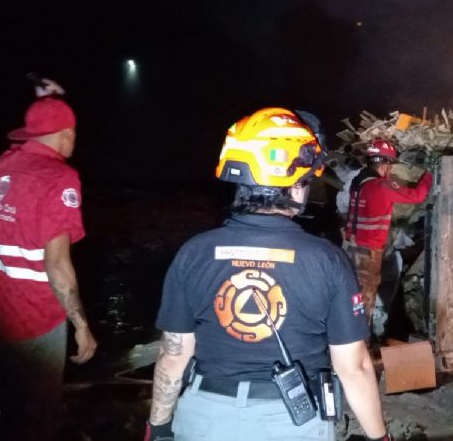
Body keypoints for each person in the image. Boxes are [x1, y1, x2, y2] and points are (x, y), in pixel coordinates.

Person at [145, 107, 389, 441]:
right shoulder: (326, 260)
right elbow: (354, 367)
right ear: (295, 184)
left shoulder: (194, 253)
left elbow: (173, 355)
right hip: (292, 423)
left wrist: (157, 427)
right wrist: (380, 437)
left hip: (204, 418)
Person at [0, 95, 97, 440]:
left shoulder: (5, 165)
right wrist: (81, 325)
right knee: (38, 420)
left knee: (13, 409)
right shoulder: (60, 178)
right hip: (37, 320)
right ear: (66, 134)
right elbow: (58, 265)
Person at [344, 138, 432, 329]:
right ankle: (361, 342)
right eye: (390, 166)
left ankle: (353, 335)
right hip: (368, 252)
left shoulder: (359, 183)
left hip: (352, 248)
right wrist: (429, 174)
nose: (391, 171)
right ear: (384, 164)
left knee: (352, 296)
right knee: (365, 298)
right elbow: (418, 196)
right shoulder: (381, 187)